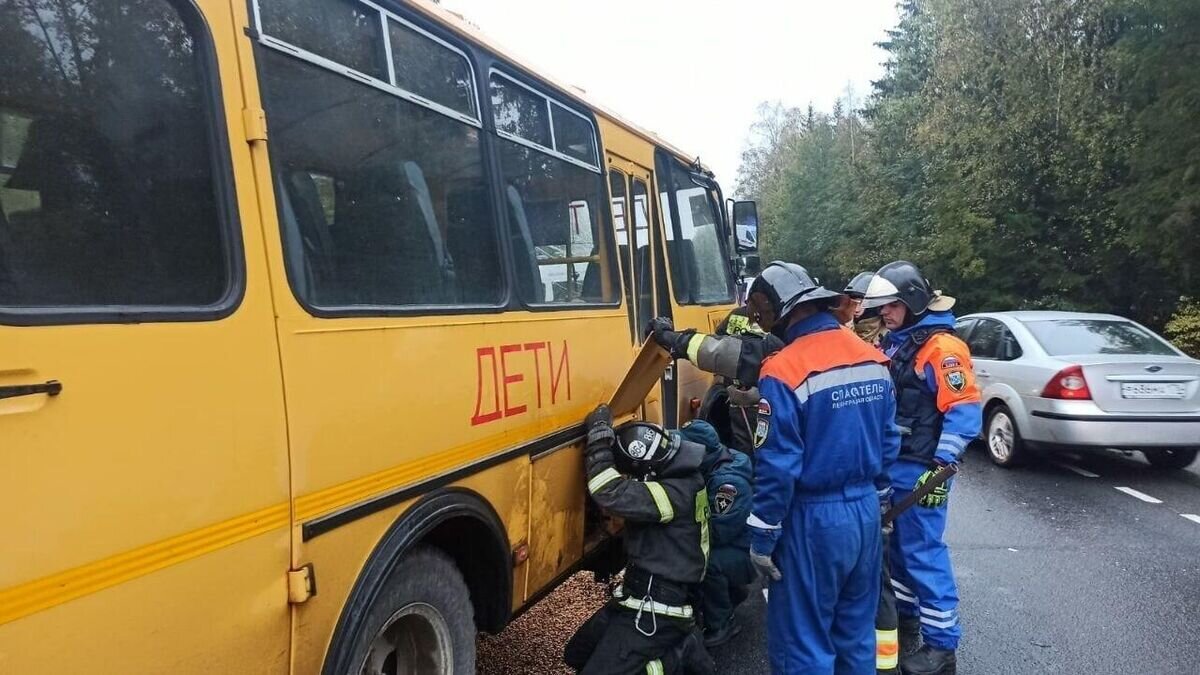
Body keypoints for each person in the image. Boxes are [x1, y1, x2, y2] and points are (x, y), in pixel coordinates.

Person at [745, 262, 902, 674]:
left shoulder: (782, 369)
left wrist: (762, 536)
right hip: (865, 512)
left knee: (803, 642)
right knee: (854, 635)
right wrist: (881, 504)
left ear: (781, 313)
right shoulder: (872, 359)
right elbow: (888, 441)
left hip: (813, 519)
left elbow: (778, 465)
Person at [860, 261, 982, 675]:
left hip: (921, 468)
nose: (884, 315)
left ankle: (941, 647)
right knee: (899, 551)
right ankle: (909, 613)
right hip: (899, 463)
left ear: (910, 301)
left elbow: (964, 411)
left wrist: (942, 467)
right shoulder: (899, 341)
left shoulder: (942, 349)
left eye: (890, 307)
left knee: (923, 554)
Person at [564, 405, 715, 675]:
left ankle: (677, 656)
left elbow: (607, 491)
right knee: (576, 654)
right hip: (637, 595)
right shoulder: (683, 473)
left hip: (659, 609)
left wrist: (599, 437)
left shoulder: (672, 495)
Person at [646, 309, 784, 454]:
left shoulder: (776, 338)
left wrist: (672, 339)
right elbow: (720, 346)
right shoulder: (793, 334)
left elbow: (723, 351)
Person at [678, 419, 755, 648]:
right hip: (740, 545)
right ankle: (731, 593)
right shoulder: (718, 460)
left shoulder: (727, 485)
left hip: (747, 552)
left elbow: (717, 534)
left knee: (707, 563)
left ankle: (722, 624)